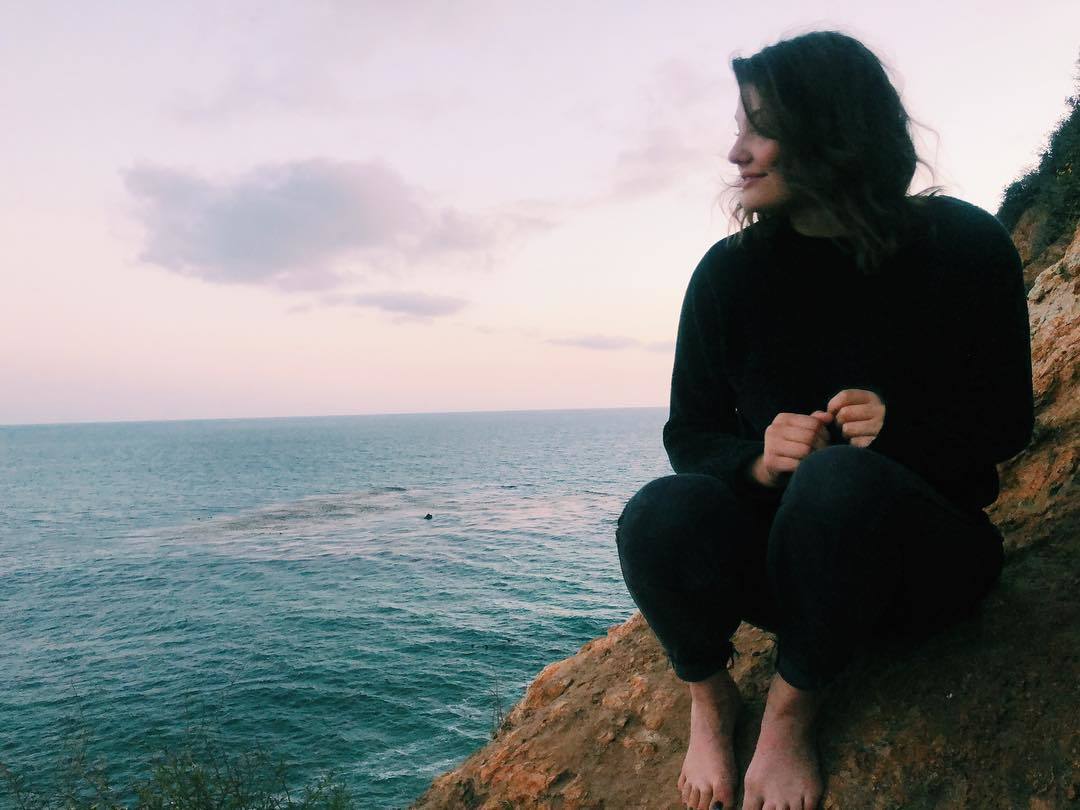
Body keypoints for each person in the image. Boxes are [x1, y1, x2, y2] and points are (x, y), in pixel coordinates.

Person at [614, 29, 1034, 810]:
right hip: (789, 574)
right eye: (739, 128)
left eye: (760, 128)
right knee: (657, 513)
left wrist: (901, 431)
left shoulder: (964, 246)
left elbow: (1008, 422)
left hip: (922, 567)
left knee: (842, 480)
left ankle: (789, 715)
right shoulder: (729, 275)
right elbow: (689, 434)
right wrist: (757, 461)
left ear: (832, 131)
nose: (736, 152)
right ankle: (709, 696)